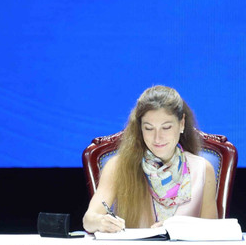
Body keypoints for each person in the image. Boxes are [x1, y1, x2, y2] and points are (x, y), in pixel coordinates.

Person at [83, 85, 218, 233]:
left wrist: (180, 227)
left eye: (166, 128)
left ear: (182, 124)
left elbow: (213, 231)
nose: (157, 138)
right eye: (148, 128)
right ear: (140, 128)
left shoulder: (202, 169)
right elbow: (88, 220)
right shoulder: (118, 166)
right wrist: (100, 221)